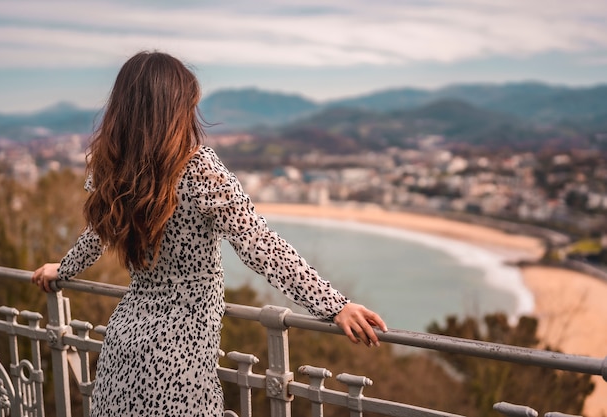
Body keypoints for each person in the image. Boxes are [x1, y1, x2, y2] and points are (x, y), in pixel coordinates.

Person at [32, 50, 387, 417]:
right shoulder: (198, 167)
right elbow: (258, 243)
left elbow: (95, 235)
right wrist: (333, 304)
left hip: (122, 345)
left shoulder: (113, 168)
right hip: (177, 360)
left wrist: (63, 269)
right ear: (175, 109)